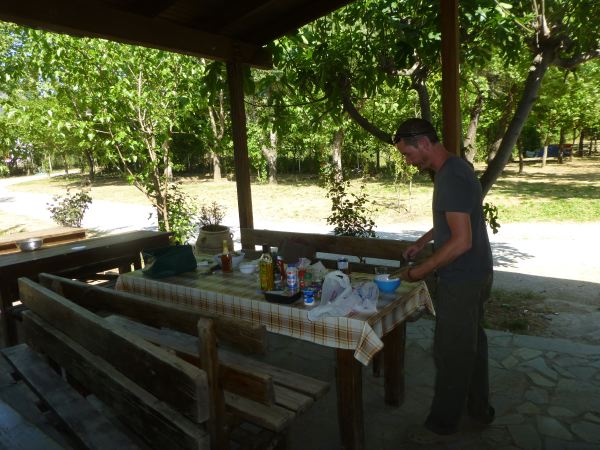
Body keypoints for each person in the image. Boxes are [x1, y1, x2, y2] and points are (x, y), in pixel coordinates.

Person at [392, 118, 494, 445]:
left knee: (450, 351)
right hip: (477, 272)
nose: (408, 161)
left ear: (423, 143)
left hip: (463, 278)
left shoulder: (450, 176)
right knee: (471, 345)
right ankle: (479, 410)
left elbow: (461, 241)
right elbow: (453, 221)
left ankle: (442, 424)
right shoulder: (456, 169)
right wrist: (422, 242)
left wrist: (419, 271)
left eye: (408, 154)